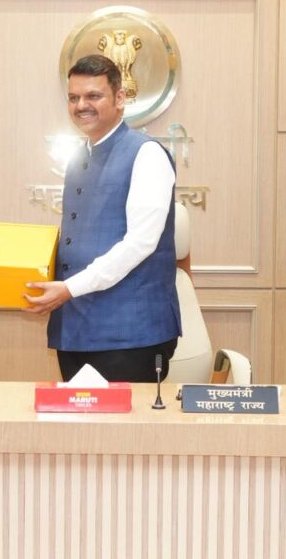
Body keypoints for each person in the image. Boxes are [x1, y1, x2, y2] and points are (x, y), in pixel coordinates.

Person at [25, 54, 181, 382]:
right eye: (73, 98)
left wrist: (69, 288)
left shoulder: (146, 154)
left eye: (93, 96)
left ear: (120, 98)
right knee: (77, 418)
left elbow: (140, 243)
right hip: (75, 328)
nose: (82, 105)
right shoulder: (78, 158)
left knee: (125, 419)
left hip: (130, 334)